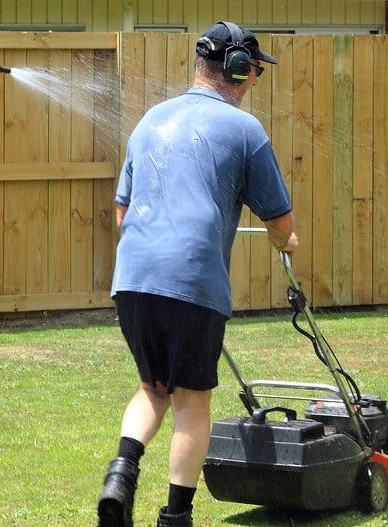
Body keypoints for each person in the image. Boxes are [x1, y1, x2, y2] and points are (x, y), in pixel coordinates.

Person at [96, 21, 298, 527]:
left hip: (133, 279)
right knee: (190, 401)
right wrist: (284, 242)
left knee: (153, 388)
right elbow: (280, 221)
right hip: (191, 280)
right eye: (254, 71)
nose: (255, 80)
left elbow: (120, 214)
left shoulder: (149, 121)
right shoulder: (245, 130)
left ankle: (121, 474)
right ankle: (175, 518)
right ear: (237, 68)